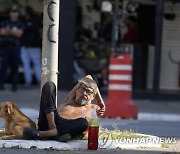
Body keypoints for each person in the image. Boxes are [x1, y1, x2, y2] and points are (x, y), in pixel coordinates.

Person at [23, 75, 106, 141]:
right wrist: (100, 100)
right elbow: (88, 77)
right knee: (49, 85)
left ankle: (42, 134)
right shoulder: (69, 100)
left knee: (83, 123)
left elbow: (90, 128)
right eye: (82, 89)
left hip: (66, 130)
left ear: (93, 96)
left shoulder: (94, 108)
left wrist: (99, 106)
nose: (84, 93)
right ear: (76, 90)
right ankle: (52, 131)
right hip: (51, 122)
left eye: (88, 92)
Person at [0, 6, 24, 91]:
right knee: (3, 66)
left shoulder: (20, 23)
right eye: (13, 12)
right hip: (5, 47)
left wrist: (8, 31)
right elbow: (1, 32)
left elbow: (19, 34)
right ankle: (1, 84)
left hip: (15, 47)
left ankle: (14, 85)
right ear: (10, 13)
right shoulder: (4, 22)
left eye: (16, 12)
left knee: (15, 66)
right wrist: (13, 31)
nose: (14, 13)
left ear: (17, 13)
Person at [20, 6, 41, 85]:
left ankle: (29, 81)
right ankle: (37, 80)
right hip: (31, 45)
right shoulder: (35, 20)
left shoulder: (24, 21)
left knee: (28, 63)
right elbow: (40, 32)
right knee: (36, 63)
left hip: (30, 46)